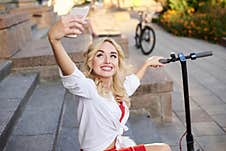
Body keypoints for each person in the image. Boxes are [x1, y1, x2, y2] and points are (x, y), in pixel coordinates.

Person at [48, 14, 172, 151]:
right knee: (163, 149)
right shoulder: (89, 88)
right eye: (100, 55)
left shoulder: (117, 89)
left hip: (117, 146)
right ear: (91, 61)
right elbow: (71, 74)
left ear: (118, 63)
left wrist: (147, 64)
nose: (107, 61)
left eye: (113, 56)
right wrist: (54, 40)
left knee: (163, 148)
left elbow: (132, 82)